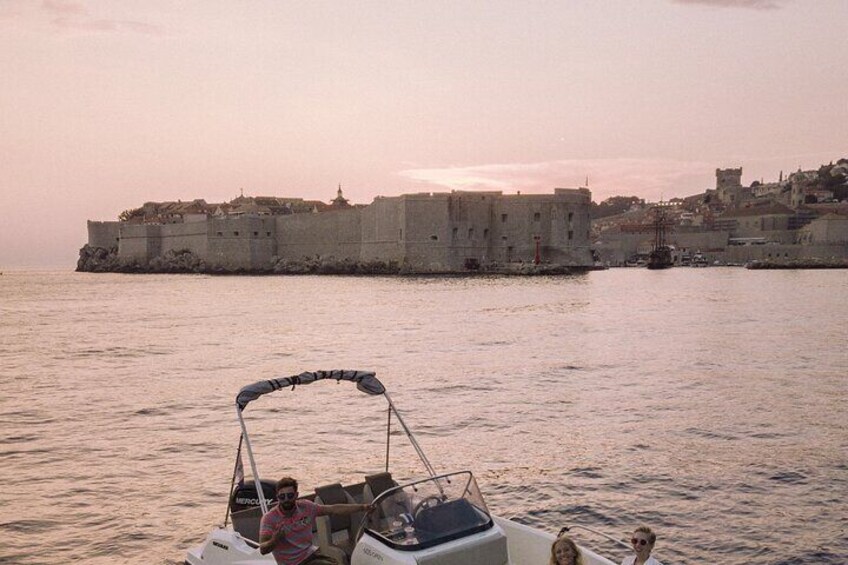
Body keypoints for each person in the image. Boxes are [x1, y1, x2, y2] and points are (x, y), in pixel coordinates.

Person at [259, 476, 369, 565]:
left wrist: (362, 507)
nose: (286, 500)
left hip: (311, 556)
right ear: (277, 497)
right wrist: (275, 540)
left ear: (296, 495)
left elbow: (333, 509)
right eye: (282, 497)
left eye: (290, 495)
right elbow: (263, 549)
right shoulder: (270, 518)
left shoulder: (306, 507)